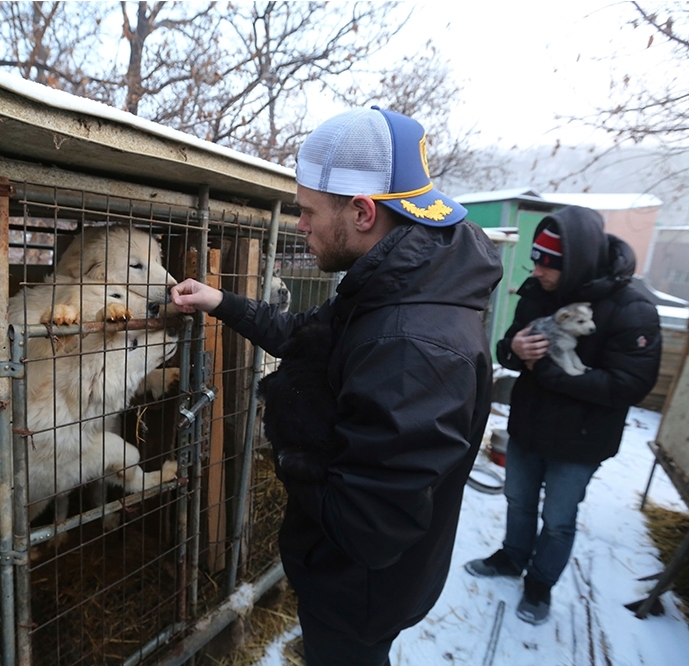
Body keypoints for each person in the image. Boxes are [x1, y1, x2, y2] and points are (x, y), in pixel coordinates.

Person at [170, 107, 503, 666]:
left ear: (363, 211)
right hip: (354, 577)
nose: (299, 224)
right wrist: (220, 301)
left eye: (306, 211)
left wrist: (289, 426)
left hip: (360, 594)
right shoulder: (394, 286)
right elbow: (306, 335)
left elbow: (369, 527)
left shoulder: (412, 344)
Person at [465, 206, 662, 625]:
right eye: (536, 260)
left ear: (576, 263)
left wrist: (550, 373)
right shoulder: (539, 293)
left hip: (580, 441)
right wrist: (513, 351)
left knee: (557, 519)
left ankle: (539, 585)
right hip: (528, 428)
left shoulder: (632, 307)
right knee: (517, 500)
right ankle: (512, 556)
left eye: (547, 264)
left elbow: (629, 385)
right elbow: (507, 350)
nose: (537, 271)